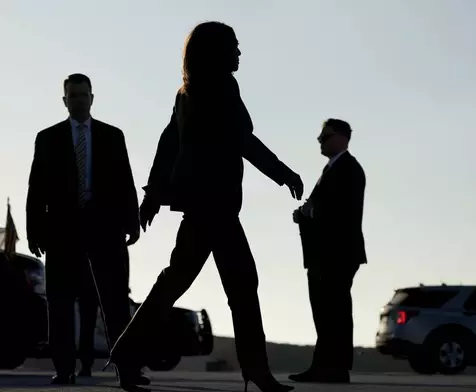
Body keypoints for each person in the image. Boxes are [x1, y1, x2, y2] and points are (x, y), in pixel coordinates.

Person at [106, 21, 303, 392]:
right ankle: (257, 372)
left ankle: (126, 353)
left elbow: (169, 144)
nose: (240, 54)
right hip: (216, 207)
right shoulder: (222, 88)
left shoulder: (187, 91)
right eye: (235, 47)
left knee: (177, 281)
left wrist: (152, 196)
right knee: (242, 285)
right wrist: (284, 173)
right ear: (218, 52)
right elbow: (243, 139)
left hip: (203, 206)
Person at [25, 73, 147, 386]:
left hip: (105, 227)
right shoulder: (48, 138)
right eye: (73, 95)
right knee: (61, 303)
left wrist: (131, 222)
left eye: (83, 95)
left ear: (92, 98)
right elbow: (36, 188)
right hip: (62, 229)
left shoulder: (112, 135)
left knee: (115, 303)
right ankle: (64, 369)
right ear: (65, 100)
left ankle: (127, 371)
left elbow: (125, 181)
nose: (79, 100)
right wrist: (34, 231)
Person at [289, 119, 367, 384]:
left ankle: (333, 367)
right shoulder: (332, 169)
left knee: (334, 310)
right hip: (325, 253)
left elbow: (343, 211)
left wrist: (310, 212)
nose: (321, 141)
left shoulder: (349, 169)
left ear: (343, 137)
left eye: (326, 136)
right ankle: (327, 366)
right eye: (320, 137)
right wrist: (305, 214)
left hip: (338, 252)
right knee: (326, 310)